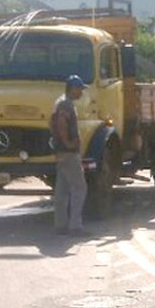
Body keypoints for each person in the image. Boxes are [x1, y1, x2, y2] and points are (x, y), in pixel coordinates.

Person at [51, 75, 89, 236]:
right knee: (79, 188)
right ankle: (75, 226)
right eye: (79, 88)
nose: (81, 91)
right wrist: (68, 142)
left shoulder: (60, 102)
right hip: (68, 153)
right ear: (73, 89)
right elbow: (61, 123)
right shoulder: (66, 105)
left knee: (62, 190)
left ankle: (60, 225)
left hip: (60, 153)